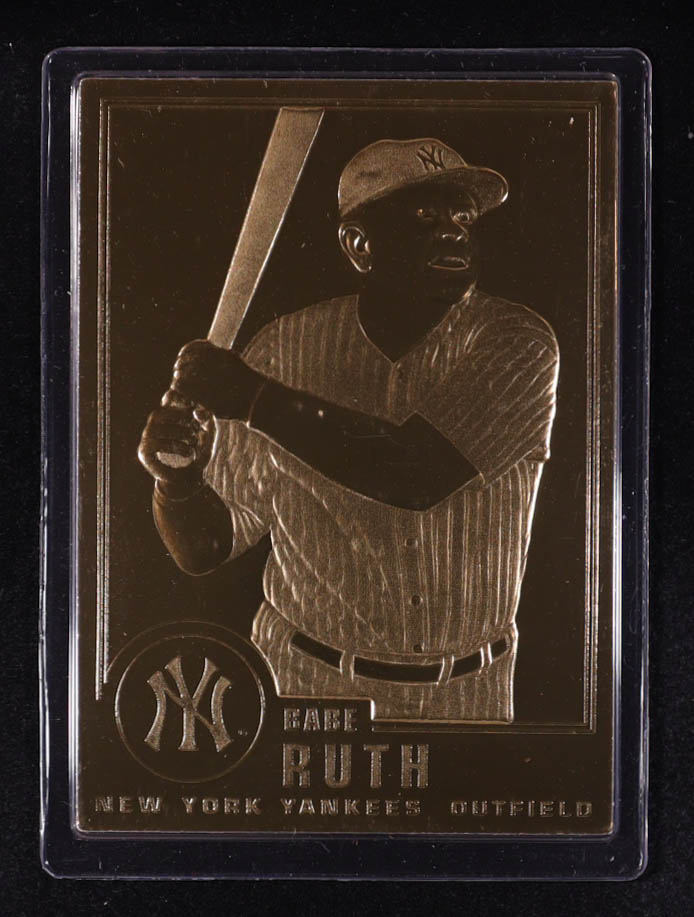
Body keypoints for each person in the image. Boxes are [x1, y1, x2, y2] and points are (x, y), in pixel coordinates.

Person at [138, 138, 559, 722]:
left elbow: (417, 475)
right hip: (305, 684)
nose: (453, 231)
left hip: (469, 694)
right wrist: (177, 483)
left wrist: (252, 398)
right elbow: (208, 548)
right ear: (360, 245)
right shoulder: (281, 350)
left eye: (464, 216)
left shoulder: (518, 343)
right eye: (424, 215)